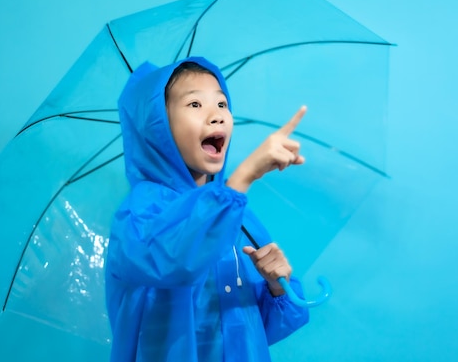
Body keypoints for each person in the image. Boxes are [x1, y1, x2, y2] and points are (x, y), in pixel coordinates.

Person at [105, 56, 310, 362]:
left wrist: (275, 284)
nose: (216, 116)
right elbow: (175, 261)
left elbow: (253, 329)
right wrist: (242, 178)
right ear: (157, 125)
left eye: (222, 104)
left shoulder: (236, 212)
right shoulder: (139, 213)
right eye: (195, 105)